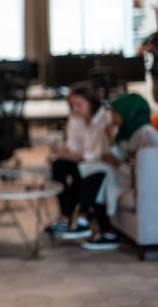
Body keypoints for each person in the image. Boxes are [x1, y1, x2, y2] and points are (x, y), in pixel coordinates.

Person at [81, 93, 158, 250]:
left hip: (134, 179)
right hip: (121, 173)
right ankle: (98, 226)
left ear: (128, 111)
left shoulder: (146, 132)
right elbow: (115, 156)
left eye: (115, 112)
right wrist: (110, 139)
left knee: (98, 179)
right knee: (93, 176)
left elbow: (146, 167)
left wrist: (116, 162)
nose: (112, 116)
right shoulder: (125, 131)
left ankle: (101, 228)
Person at [45, 83, 111, 239]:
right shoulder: (75, 118)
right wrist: (61, 151)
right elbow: (72, 146)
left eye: (78, 105)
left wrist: (75, 155)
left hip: (96, 162)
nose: (74, 109)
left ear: (91, 102)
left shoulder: (105, 118)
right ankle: (66, 215)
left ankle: (67, 218)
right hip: (82, 158)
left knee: (77, 170)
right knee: (58, 165)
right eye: (72, 105)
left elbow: (99, 153)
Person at [137, 31, 158, 102]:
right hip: (156, 73)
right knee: (156, 97)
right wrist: (147, 49)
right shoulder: (153, 36)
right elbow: (139, 51)